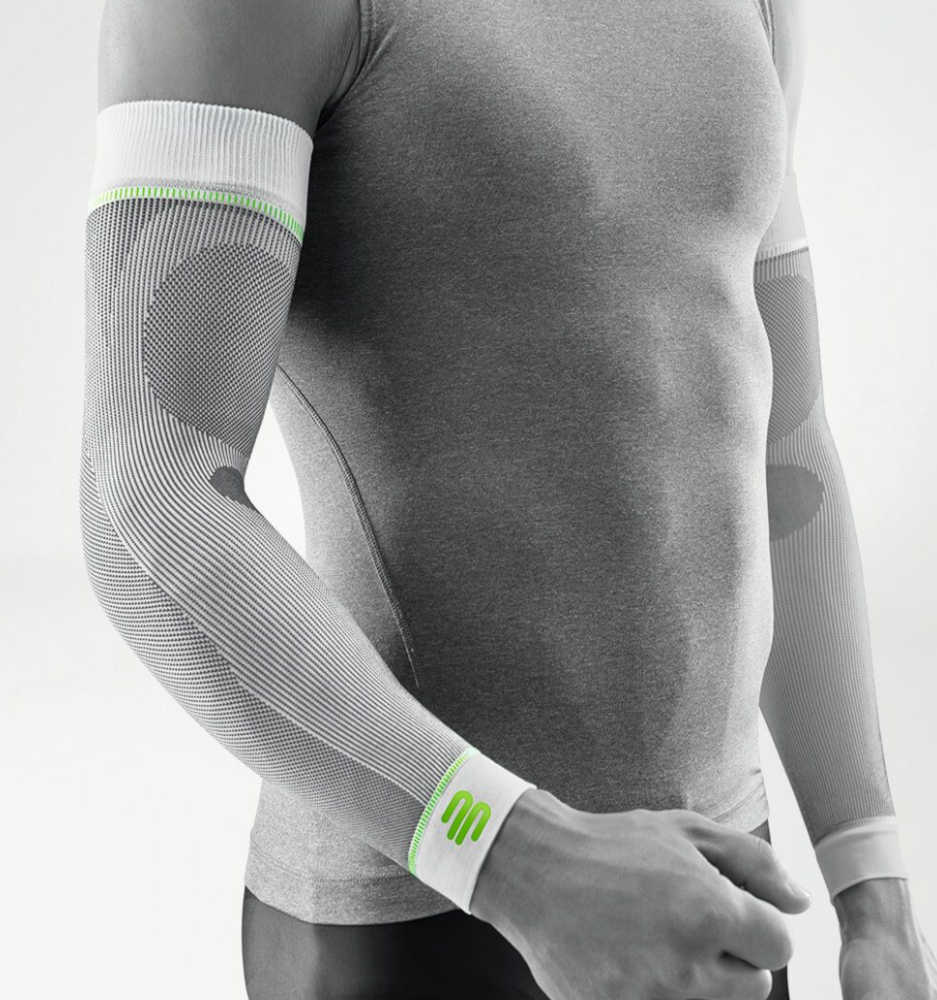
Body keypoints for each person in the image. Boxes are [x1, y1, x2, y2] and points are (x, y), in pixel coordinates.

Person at [81, 0, 936, 997]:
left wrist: (873, 891)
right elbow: (147, 489)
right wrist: (510, 854)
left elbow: (781, 447)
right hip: (421, 904)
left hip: (713, 893)